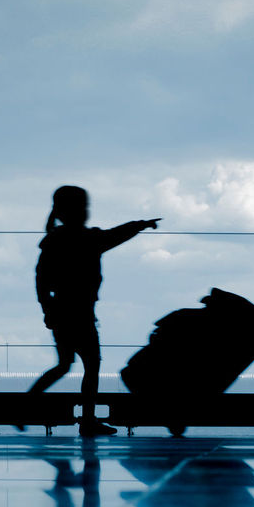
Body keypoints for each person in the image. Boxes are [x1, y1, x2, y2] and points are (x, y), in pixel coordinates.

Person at [28, 186, 159, 436]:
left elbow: (41, 282)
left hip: (61, 312)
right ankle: (87, 420)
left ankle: (29, 402)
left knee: (65, 364)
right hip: (81, 313)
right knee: (91, 364)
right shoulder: (88, 239)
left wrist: (48, 310)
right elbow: (116, 235)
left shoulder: (53, 241)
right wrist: (140, 224)